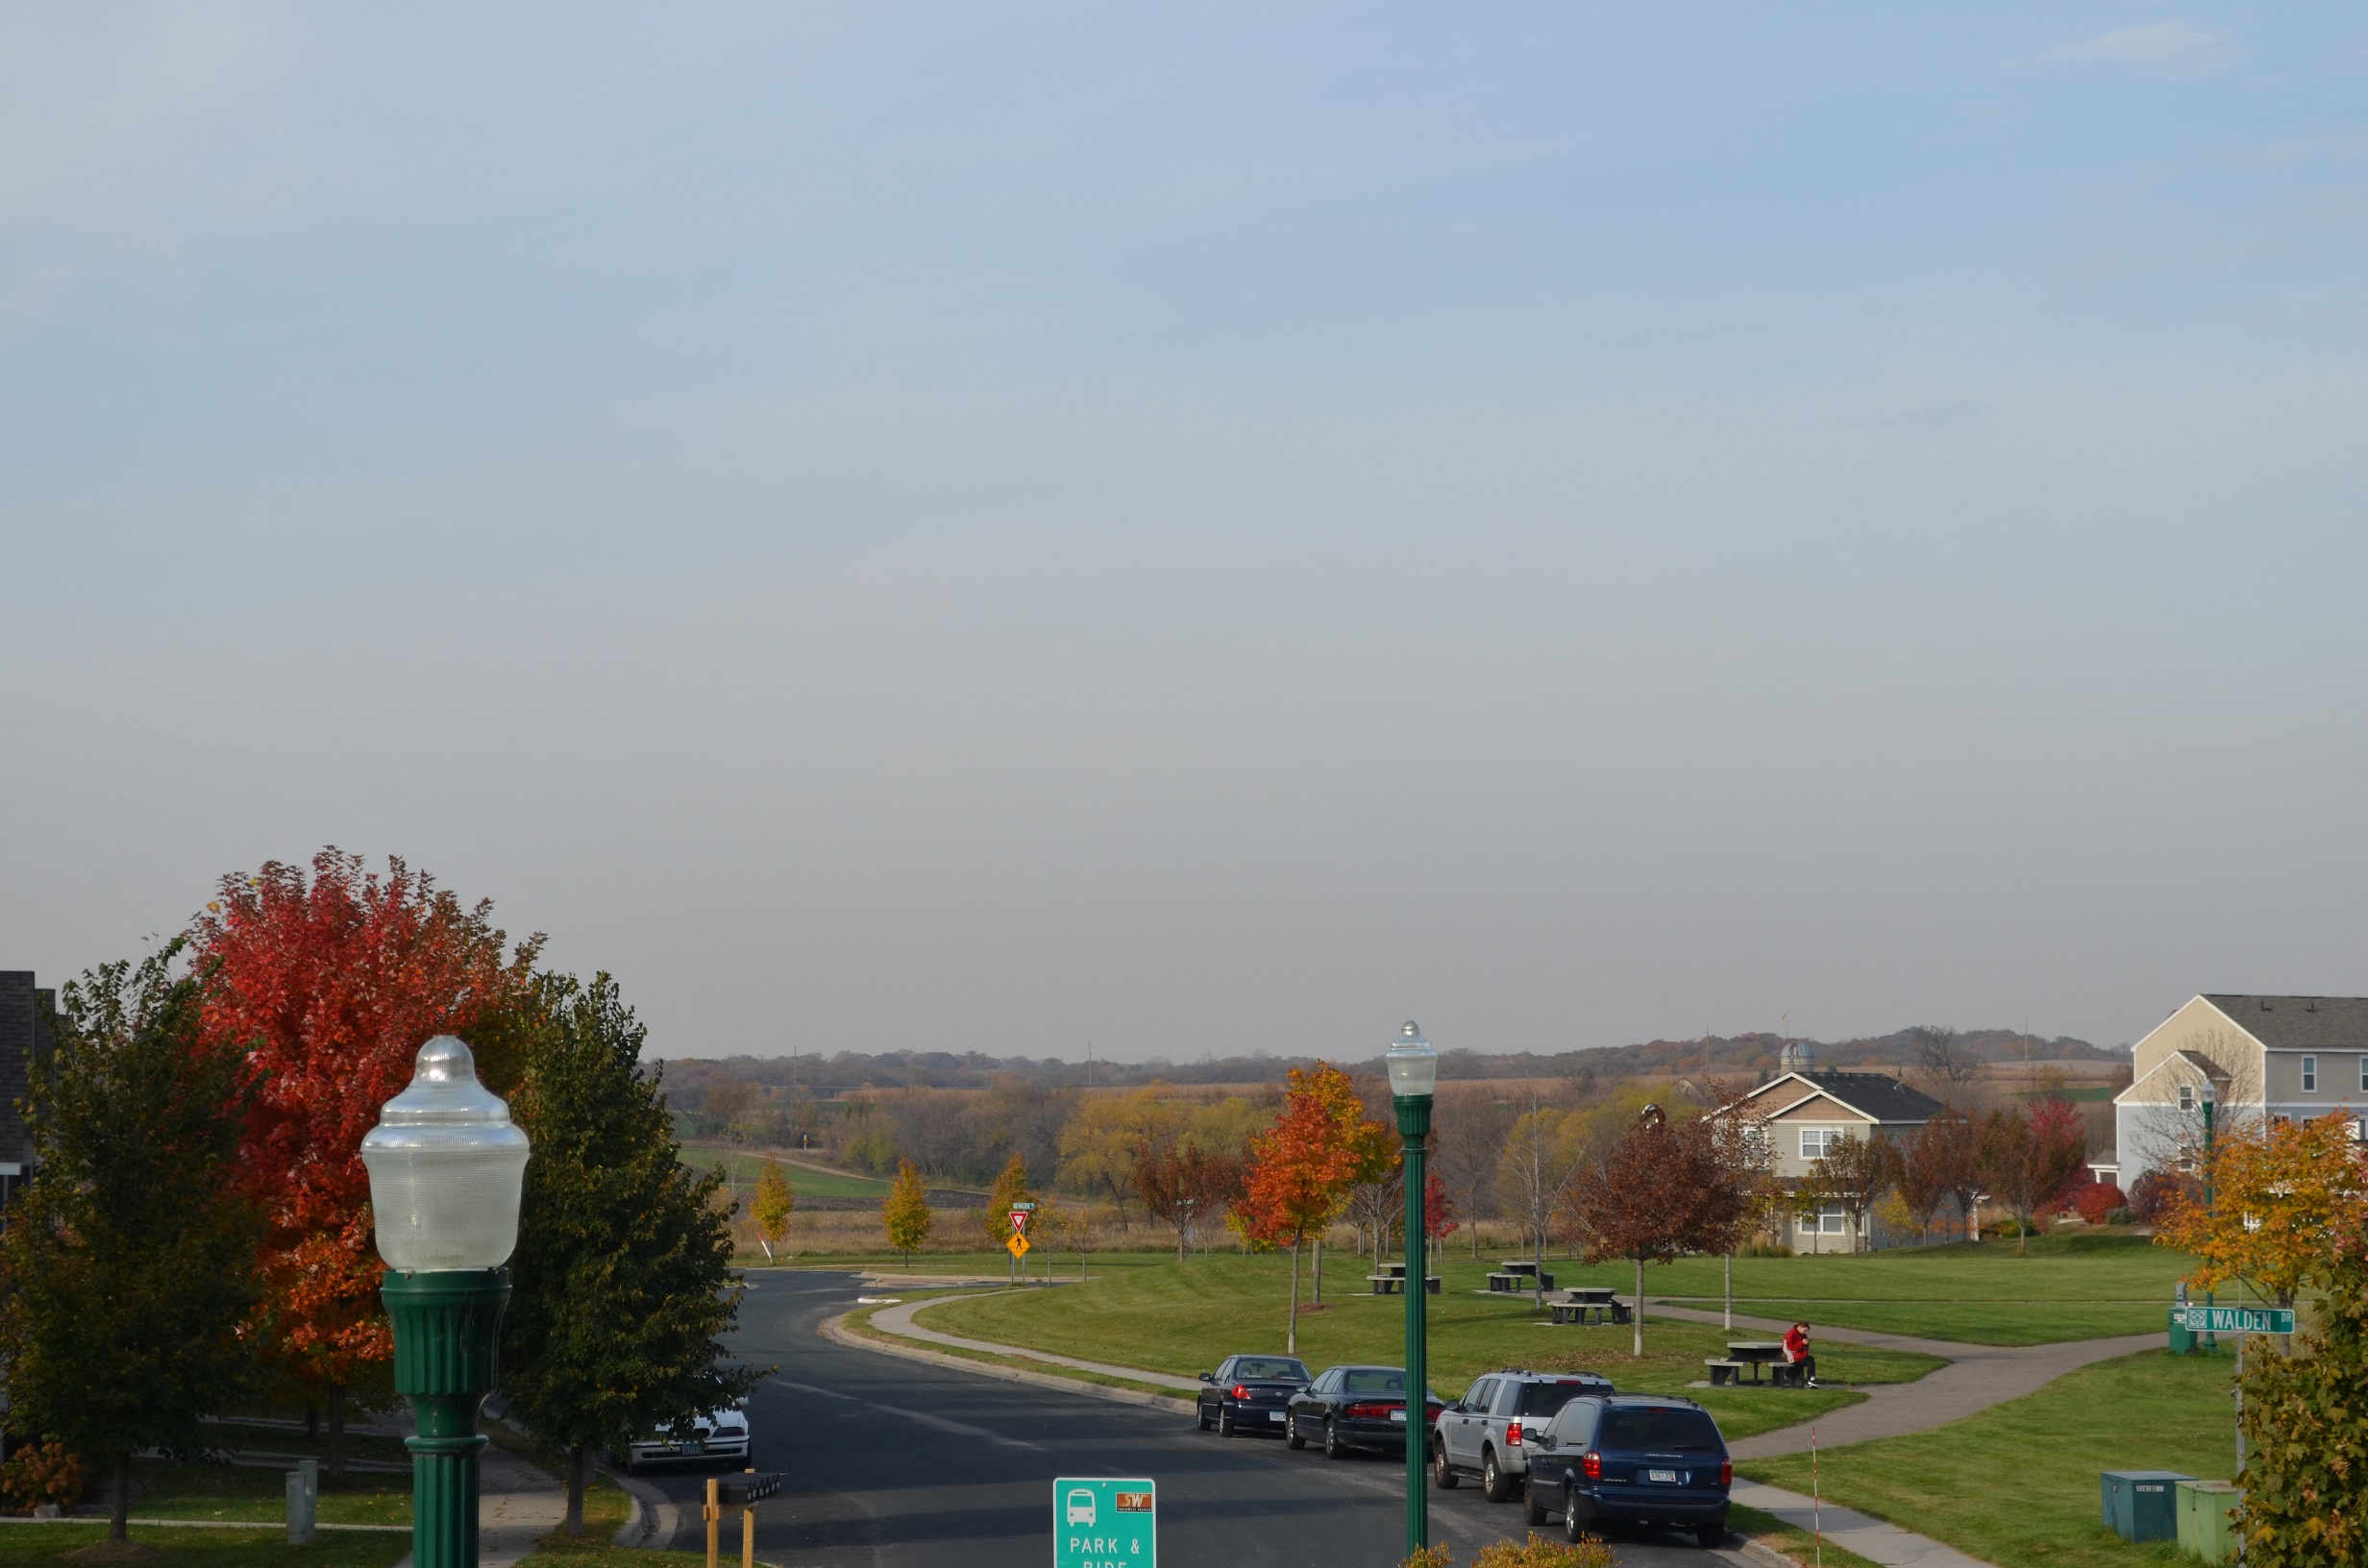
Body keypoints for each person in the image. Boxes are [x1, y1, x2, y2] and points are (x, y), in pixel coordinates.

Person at [1783, 1320, 1819, 1387]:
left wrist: (1806, 1344)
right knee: (1810, 1360)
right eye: (1804, 1330)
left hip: (1800, 1355)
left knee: (1810, 1360)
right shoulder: (1791, 1334)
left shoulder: (1803, 1335)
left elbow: (1804, 1348)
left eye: (1806, 1331)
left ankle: (1811, 1380)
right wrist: (1802, 1343)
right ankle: (1811, 1379)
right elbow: (1790, 1348)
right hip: (1792, 1357)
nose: (1805, 1332)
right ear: (1799, 1327)